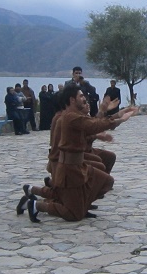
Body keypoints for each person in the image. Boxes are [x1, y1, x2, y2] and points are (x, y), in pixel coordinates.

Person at [18, 85, 137, 223]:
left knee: (106, 181)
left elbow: (92, 124)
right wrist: (119, 118)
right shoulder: (68, 117)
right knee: (73, 214)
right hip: (68, 168)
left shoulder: (75, 117)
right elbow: (93, 125)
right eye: (81, 96)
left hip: (78, 165)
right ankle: (35, 205)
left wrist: (115, 114)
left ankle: (73, 201)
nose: (84, 99)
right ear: (72, 100)